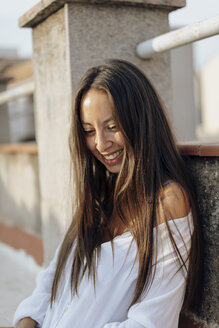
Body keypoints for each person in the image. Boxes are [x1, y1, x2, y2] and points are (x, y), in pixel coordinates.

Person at [13, 59, 201, 328]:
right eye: (89, 131)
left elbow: (150, 322)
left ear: (141, 121)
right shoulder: (97, 197)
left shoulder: (167, 203)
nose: (101, 144)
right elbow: (48, 285)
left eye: (112, 127)